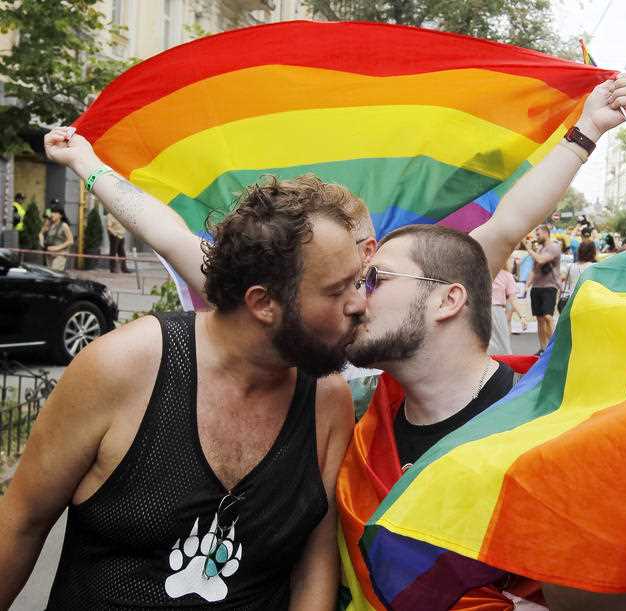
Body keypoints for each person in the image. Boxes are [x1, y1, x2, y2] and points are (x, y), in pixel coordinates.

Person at [39, 75, 626, 610]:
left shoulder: (536, 420)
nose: (356, 296)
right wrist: (88, 166)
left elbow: (507, 225)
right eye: (349, 278)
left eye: (371, 275)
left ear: (447, 298)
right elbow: (172, 236)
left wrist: (586, 131)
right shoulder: (322, 359)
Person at [0, 160, 363, 606]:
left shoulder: (327, 400)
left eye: (360, 282)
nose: (360, 304)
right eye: (338, 290)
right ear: (263, 303)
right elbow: (21, 522)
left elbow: (314, 559)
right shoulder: (122, 367)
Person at [524, 224, 562, 355]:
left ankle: (554, 348)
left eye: (538, 234)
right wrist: (527, 283)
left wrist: (529, 250)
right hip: (537, 287)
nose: (537, 237)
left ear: (546, 233)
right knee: (540, 319)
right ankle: (543, 348)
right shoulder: (539, 249)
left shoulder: (554, 247)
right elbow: (535, 268)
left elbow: (540, 260)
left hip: (549, 287)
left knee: (548, 317)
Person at [488, 261, 527, 355]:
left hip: (494, 311)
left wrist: (522, 316)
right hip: (486, 311)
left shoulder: (506, 275)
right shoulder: (481, 273)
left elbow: (513, 298)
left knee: (501, 344)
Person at [40, 204, 74, 271]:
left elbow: (71, 241)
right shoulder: (49, 224)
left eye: (55, 212)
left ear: (60, 215)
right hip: (49, 254)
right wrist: (42, 242)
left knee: (54, 274)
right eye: (52, 212)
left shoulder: (64, 225)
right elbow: (41, 233)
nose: (53, 214)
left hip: (60, 255)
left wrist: (57, 248)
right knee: (49, 274)